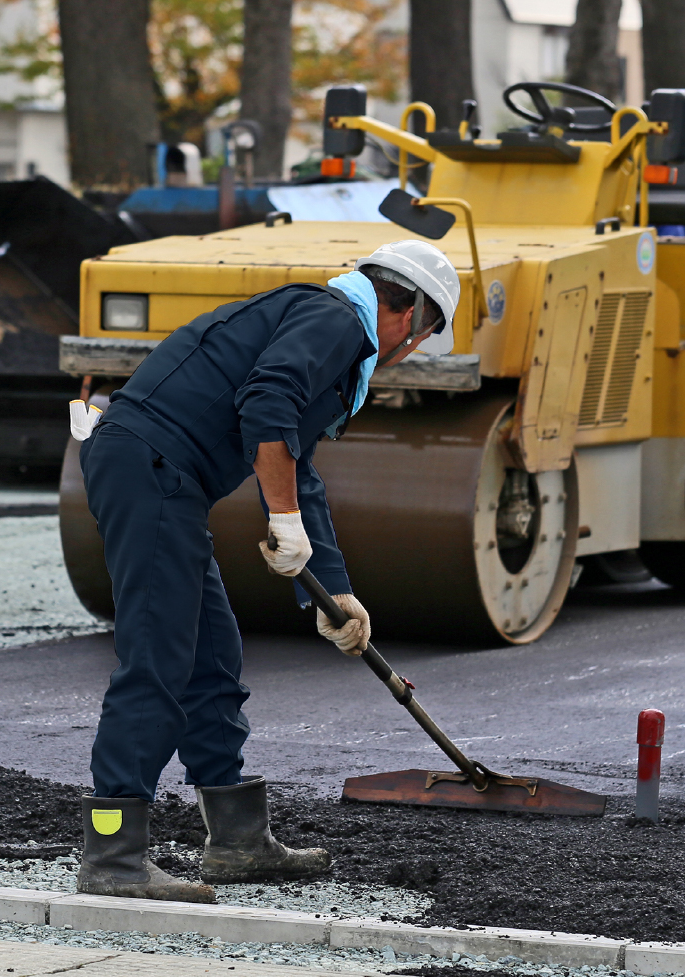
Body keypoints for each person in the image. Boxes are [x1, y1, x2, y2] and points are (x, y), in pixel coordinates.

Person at [72, 240, 460, 903]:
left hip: (163, 476)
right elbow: (266, 405)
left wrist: (332, 594)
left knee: (212, 655)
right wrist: (280, 518)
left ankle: (236, 840)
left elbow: (297, 465)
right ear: (410, 313)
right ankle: (112, 852)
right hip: (149, 465)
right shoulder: (338, 318)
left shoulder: (330, 330)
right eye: (425, 337)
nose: (414, 351)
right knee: (159, 657)